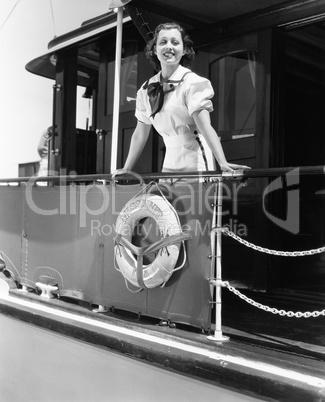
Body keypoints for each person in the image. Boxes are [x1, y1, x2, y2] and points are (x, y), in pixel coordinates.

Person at [112, 22, 249, 179]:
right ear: (155, 49)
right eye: (163, 42)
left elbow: (205, 127)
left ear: (184, 50)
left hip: (196, 156)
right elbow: (140, 133)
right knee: (169, 202)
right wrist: (127, 168)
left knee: (194, 202)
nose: (169, 46)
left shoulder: (193, 83)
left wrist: (222, 162)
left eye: (175, 42)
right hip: (170, 158)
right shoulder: (146, 90)